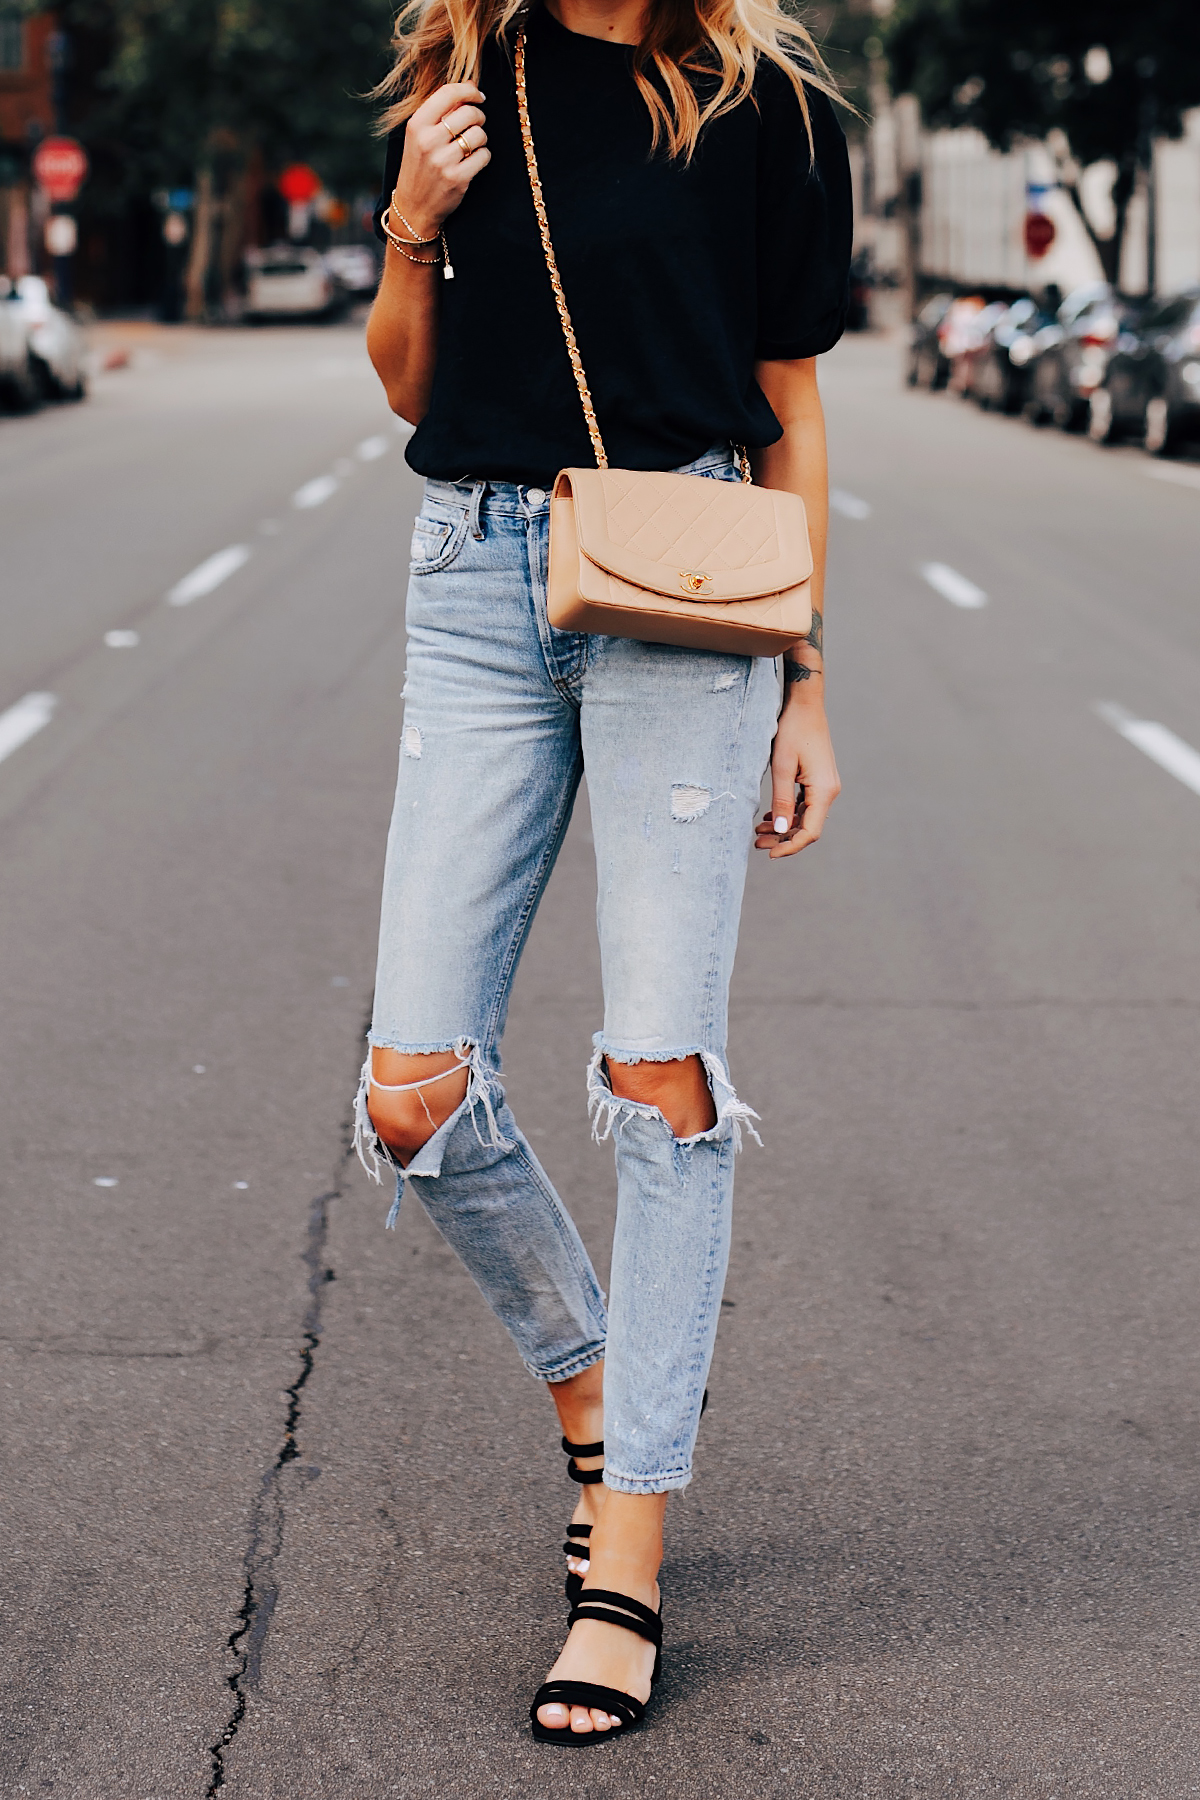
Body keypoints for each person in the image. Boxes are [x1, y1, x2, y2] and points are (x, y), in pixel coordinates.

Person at [357, 0, 852, 1745]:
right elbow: (412, 378)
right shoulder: (461, 82)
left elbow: (789, 407)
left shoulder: (763, 105)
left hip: (692, 589)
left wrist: (807, 681)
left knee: (661, 1072)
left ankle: (624, 1552)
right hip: (476, 576)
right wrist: (415, 212)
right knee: (413, 1088)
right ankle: (593, 1385)